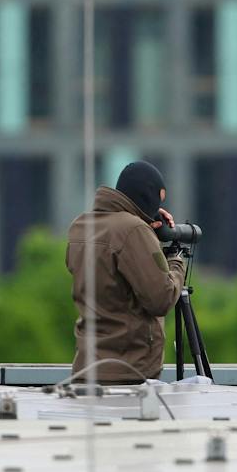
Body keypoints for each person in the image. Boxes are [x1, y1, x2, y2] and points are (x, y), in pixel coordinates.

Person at [65, 160, 188, 385]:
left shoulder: (81, 226)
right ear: (147, 196)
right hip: (127, 371)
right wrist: (177, 261)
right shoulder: (133, 230)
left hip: (86, 368)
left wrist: (143, 220)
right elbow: (161, 298)